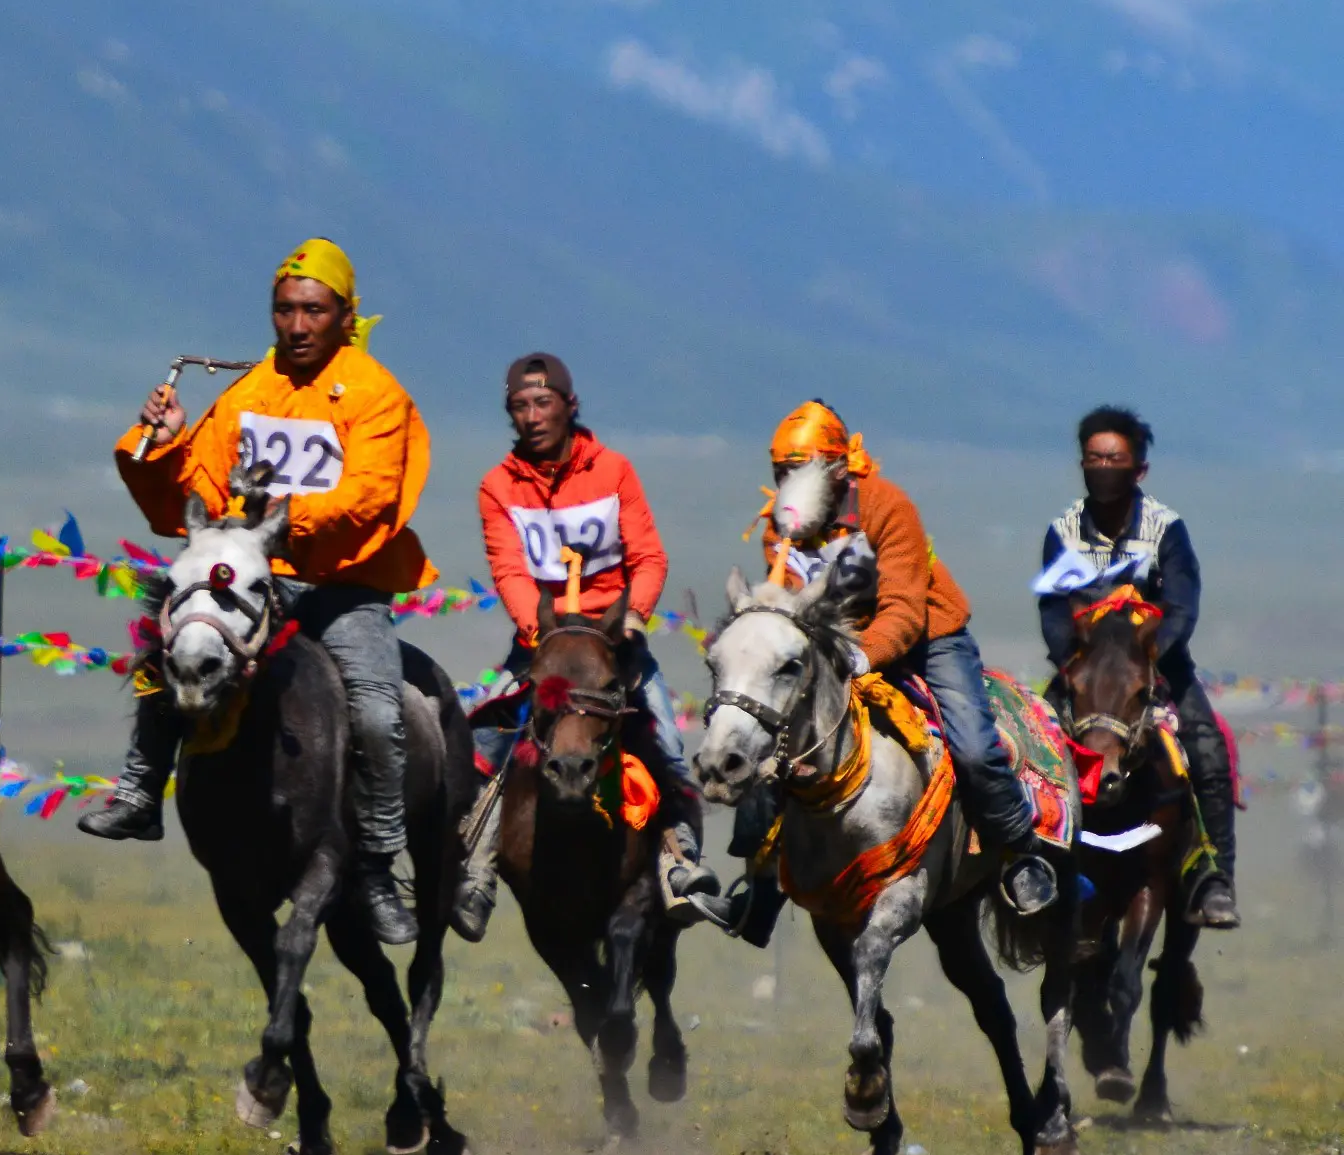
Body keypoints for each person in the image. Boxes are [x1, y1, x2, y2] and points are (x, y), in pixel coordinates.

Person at [77, 238, 434, 945]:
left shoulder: (377, 395)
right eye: (284, 310)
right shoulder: (250, 390)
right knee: (175, 646)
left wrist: (274, 522)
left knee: (372, 711)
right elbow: (195, 492)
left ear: (343, 314)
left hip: (341, 582)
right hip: (247, 569)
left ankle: (376, 867)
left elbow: (368, 497)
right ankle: (141, 791)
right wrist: (162, 444)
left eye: (313, 310)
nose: (297, 325)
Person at [697, 400, 1058, 943]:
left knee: (975, 745)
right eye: (780, 472)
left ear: (838, 470)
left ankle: (1019, 854)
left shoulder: (888, 508)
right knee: (777, 740)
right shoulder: (781, 532)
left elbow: (905, 608)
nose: (787, 483)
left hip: (928, 637)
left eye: (799, 471)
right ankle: (763, 882)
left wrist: (861, 658)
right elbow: (791, 614)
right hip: (836, 651)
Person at [452, 352, 712, 940]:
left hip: (612, 641)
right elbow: (509, 571)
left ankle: (680, 863)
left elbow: (648, 556)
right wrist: (539, 633)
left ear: (570, 406)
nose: (532, 415)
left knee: (665, 739)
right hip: (542, 643)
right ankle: (475, 869)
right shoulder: (497, 487)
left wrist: (635, 618)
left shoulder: (613, 470)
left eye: (543, 403)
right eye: (519, 406)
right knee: (485, 740)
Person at [1038, 405, 1238, 927]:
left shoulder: (1167, 530)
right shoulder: (1062, 531)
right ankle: (1030, 866)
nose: (1103, 466)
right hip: (1082, 677)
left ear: (1139, 469)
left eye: (1115, 458)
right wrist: (1070, 665)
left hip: (1156, 670)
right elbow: (1053, 610)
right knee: (1026, 749)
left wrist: (1151, 659)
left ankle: (1211, 878)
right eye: (1094, 457)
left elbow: (1183, 607)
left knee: (1210, 752)